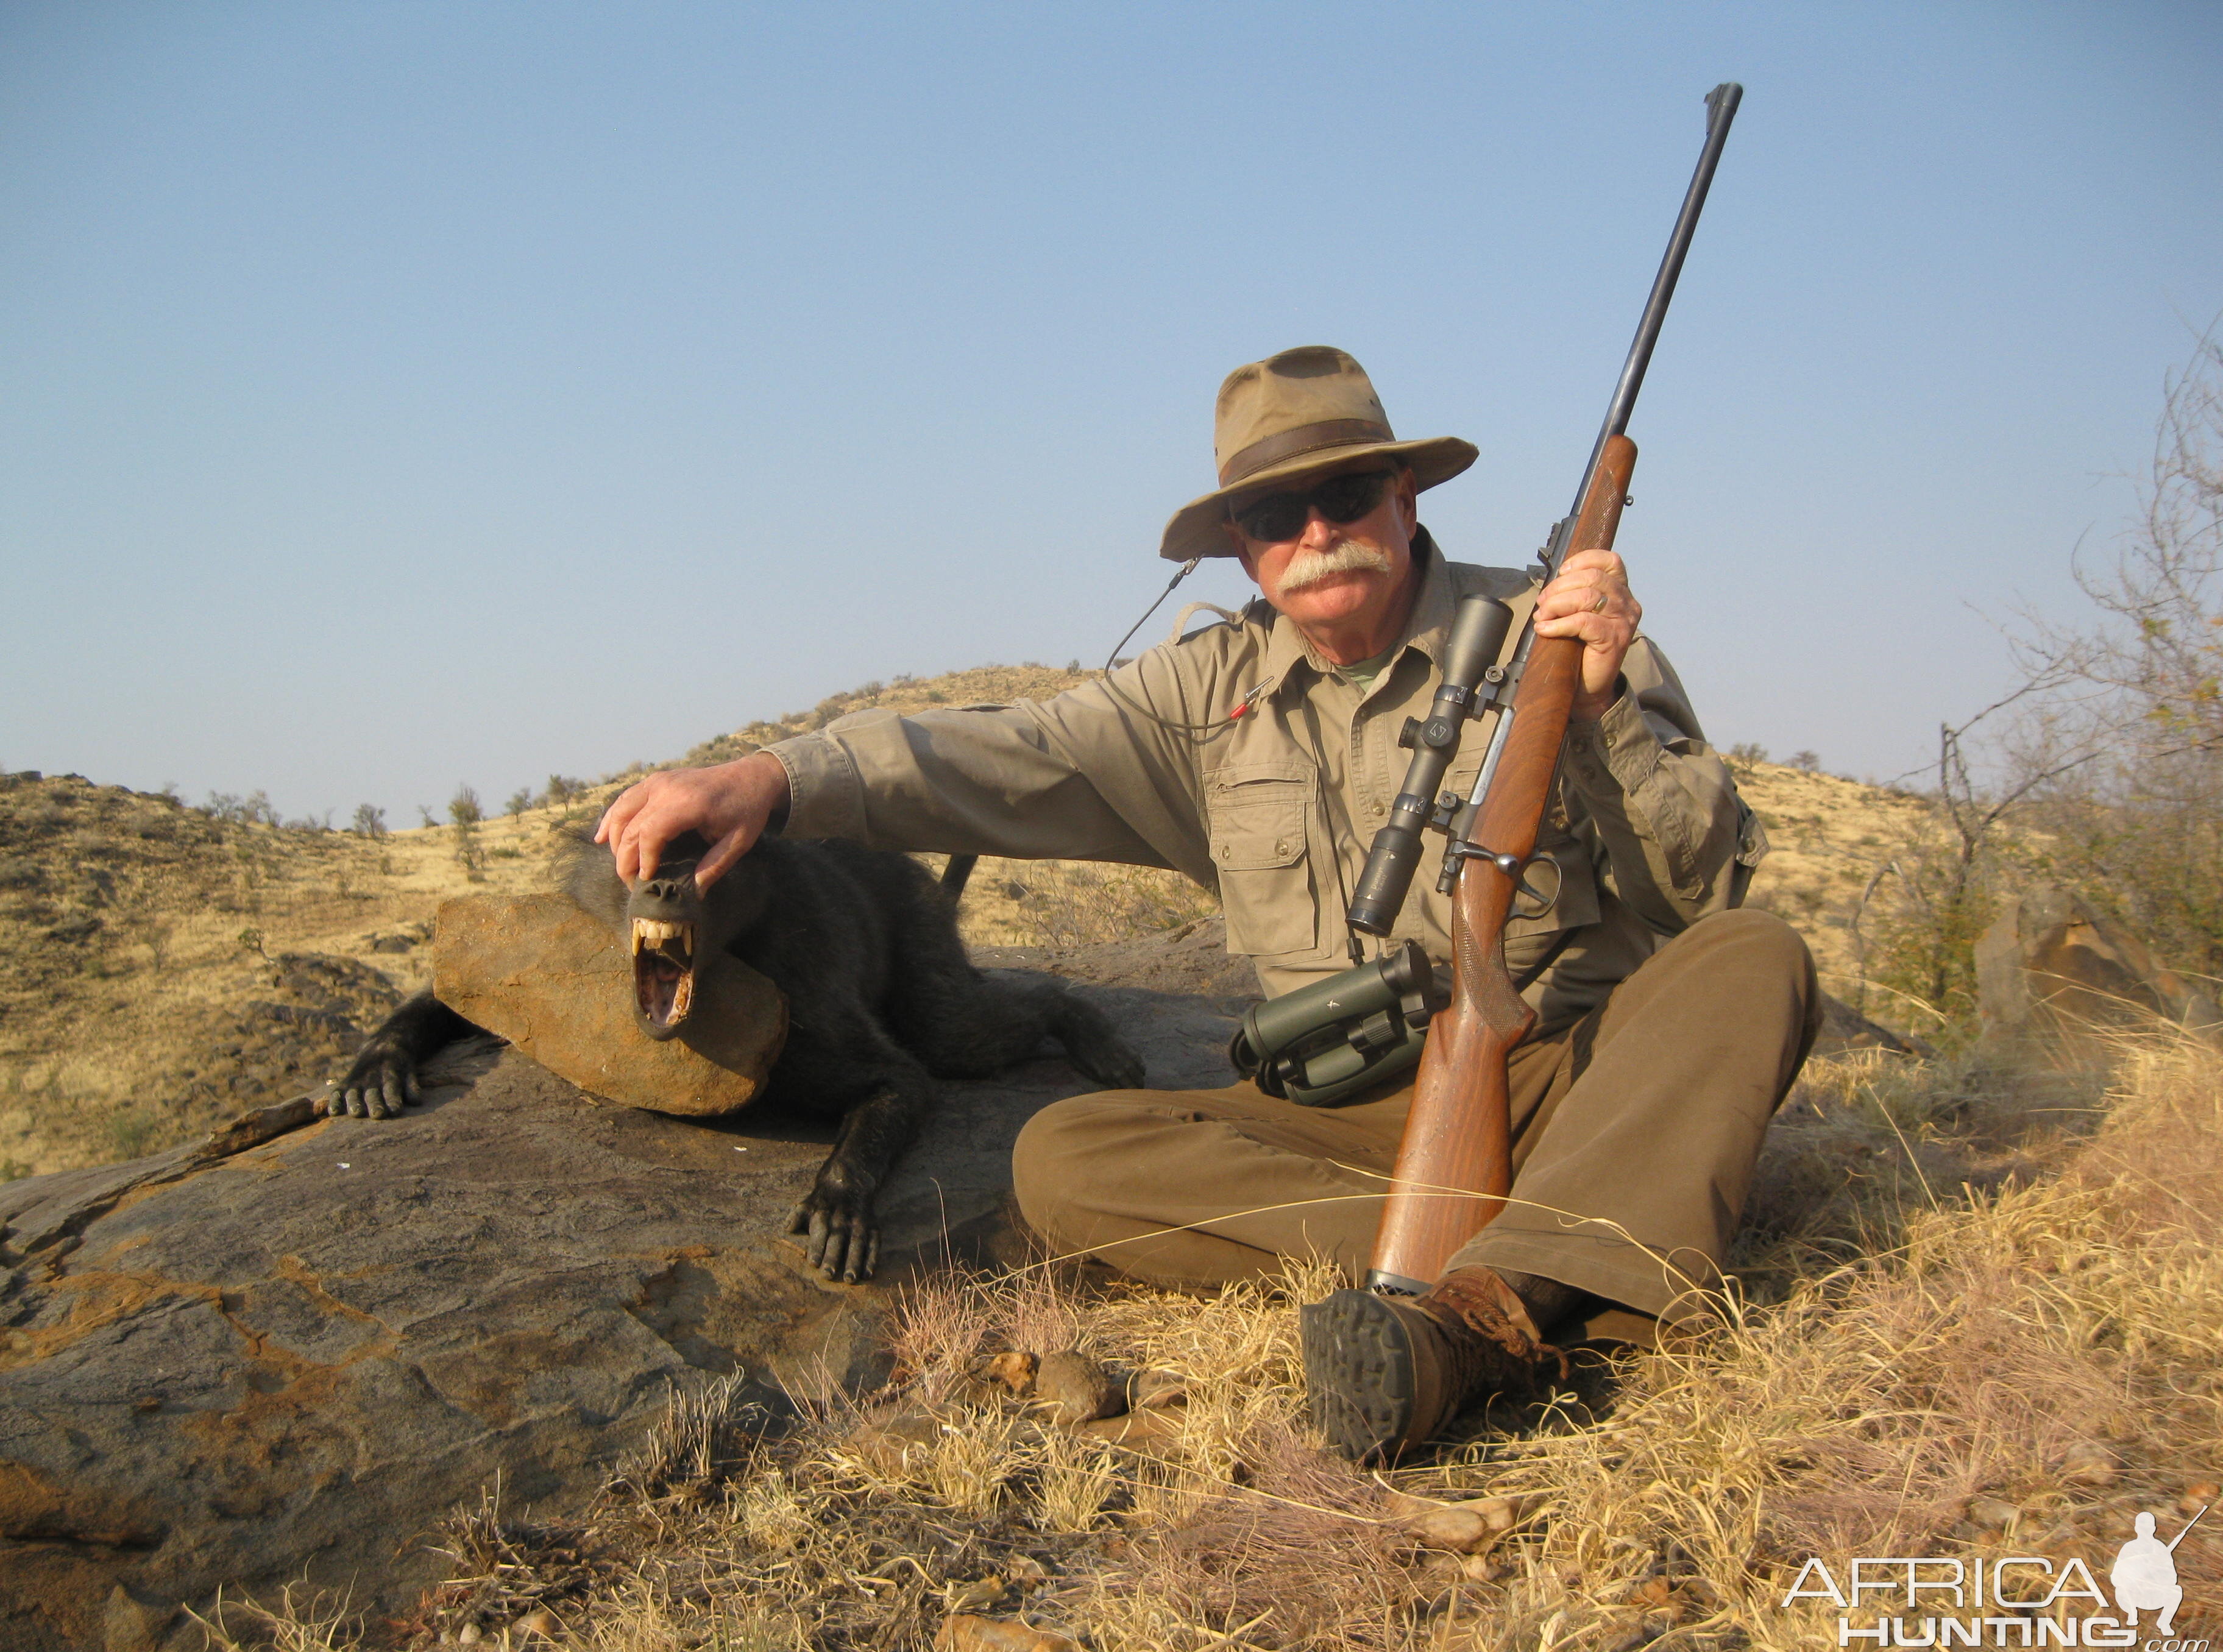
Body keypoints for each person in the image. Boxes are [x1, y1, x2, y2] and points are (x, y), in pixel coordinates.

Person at [596, 345, 1820, 1461]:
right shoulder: (1201, 694)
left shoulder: (1558, 639)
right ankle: (1556, 1257)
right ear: (1242, 544)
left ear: (1406, 496)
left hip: (1573, 1077)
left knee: (1755, 957)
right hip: (1339, 1118)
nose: (1316, 531)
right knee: (1066, 1156)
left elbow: (1702, 890)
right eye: (1275, 513)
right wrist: (771, 776)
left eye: (1347, 495)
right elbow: (994, 754)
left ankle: (1487, 1309)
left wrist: (1600, 709)